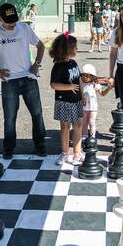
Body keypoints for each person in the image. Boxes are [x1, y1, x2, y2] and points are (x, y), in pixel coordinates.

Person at [0, 3, 46, 159]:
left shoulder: (25, 28)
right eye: (8, 21)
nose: (12, 24)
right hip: (9, 82)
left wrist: (37, 64)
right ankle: (8, 149)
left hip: (29, 78)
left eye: (14, 20)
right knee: (9, 118)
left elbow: (41, 46)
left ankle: (40, 146)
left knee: (37, 114)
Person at [49, 33, 84, 165]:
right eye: (75, 47)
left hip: (77, 101)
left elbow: (78, 79)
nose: (77, 49)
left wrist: (83, 95)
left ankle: (77, 153)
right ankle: (65, 153)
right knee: (65, 127)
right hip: (64, 101)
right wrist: (68, 87)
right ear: (67, 49)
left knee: (78, 126)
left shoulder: (73, 63)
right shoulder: (58, 66)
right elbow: (53, 85)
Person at [79, 63, 112, 140]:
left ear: (92, 76)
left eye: (88, 76)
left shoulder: (95, 83)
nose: (85, 77)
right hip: (83, 106)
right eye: (84, 75)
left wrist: (108, 88)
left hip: (93, 107)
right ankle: (84, 135)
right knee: (84, 122)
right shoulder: (80, 81)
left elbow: (102, 93)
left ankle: (92, 136)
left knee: (91, 122)